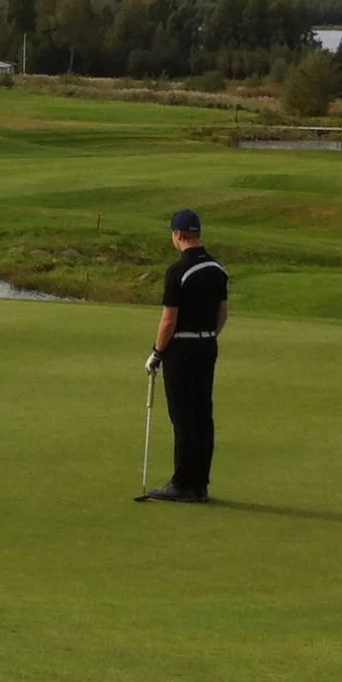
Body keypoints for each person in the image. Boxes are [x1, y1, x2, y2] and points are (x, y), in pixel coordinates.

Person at [139, 208, 228, 502]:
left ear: (179, 235)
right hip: (207, 346)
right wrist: (208, 338)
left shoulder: (178, 271)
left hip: (183, 349)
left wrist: (157, 353)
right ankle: (199, 483)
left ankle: (183, 483)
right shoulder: (217, 268)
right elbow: (222, 314)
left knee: (184, 417)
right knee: (203, 414)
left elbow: (169, 320)